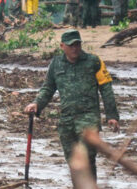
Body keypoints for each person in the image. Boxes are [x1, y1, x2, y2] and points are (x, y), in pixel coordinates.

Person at [25, 29, 119, 178]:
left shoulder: (93, 61)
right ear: (62, 46)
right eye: (71, 45)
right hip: (67, 121)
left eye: (77, 45)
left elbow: (106, 88)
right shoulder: (56, 64)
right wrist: (37, 104)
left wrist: (112, 115)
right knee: (73, 162)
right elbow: (48, 88)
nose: (75, 48)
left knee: (87, 158)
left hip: (89, 119)